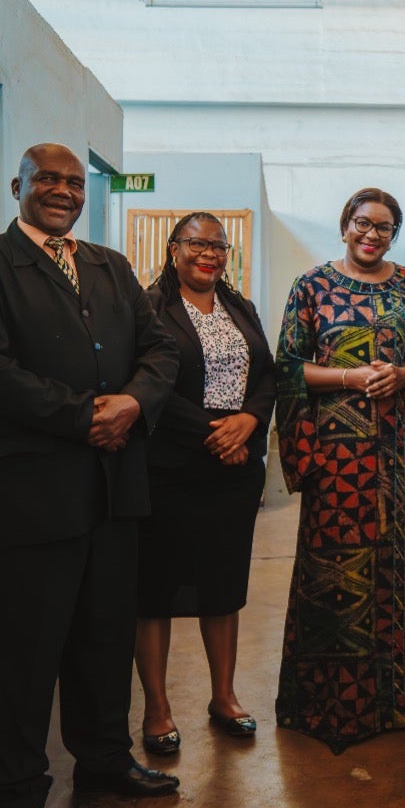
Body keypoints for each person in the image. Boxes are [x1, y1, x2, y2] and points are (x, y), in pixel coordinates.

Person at [0, 143, 182, 808]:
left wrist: (134, 404)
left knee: (104, 638)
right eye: (46, 179)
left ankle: (104, 758)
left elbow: (160, 348)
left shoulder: (109, 265)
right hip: (33, 496)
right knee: (26, 649)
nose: (62, 191)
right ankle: (16, 794)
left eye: (73, 182)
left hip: (114, 491)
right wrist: (87, 415)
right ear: (17, 184)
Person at [274, 187, 405, 753]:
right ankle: (333, 708)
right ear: (345, 225)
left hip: (402, 457)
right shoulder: (312, 286)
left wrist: (402, 374)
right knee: (333, 578)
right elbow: (289, 370)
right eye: (363, 224)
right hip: (336, 461)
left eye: (385, 227)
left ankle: (404, 705)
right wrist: (349, 378)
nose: (372, 235)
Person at [135, 212, 275, 755]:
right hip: (169, 467)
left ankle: (224, 697)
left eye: (218, 245)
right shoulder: (149, 308)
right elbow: (149, 385)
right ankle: (157, 708)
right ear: (174, 249)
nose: (209, 253)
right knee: (155, 589)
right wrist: (217, 431)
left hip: (233, 471)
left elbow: (266, 374)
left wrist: (249, 422)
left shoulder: (239, 307)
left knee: (223, 585)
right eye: (197, 243)